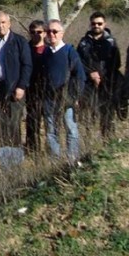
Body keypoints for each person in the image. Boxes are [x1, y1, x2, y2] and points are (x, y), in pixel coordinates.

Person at [0, 11, 32, 146]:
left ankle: (15, 153)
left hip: (13, 88)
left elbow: (27, 65)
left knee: (13, 123)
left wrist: (21, 86)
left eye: (3, 22)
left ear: (9, 23)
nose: (0, 25)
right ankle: (0, 151)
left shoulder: (19, 41)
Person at [41, 20, 85, 163]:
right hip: (49, 99)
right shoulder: (46, 53)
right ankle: (56, 161)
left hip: (66, 99)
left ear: (62, 33)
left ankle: (72, 160)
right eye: (49, 32)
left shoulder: (69, 52)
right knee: (50, 131)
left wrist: (73, 96)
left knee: (70, 129)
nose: (52, 34)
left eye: (55, 31)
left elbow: (79, 76)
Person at [77, 11, 122, 138]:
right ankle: (87, 141)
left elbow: (116, 63)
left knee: (107, 114)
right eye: (94, 23)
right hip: (88, 84)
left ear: (104, 24)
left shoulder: (111, 42)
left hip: (107, 83)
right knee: (86, 115)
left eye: (99, 23)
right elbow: (78, 61)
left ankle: (107, 141)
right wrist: (90, 73)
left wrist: (101, 75)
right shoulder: (83, 42)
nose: (96, 26)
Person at [25, 19, 47, 152]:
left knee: (50, 123)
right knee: (32, 122)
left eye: (39, 31)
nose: (36, 34)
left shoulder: (50, 49)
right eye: (33, 32)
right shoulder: (25, 49)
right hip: (31, 90)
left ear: (45, 33)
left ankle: (51, 151)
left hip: (48, 91)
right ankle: (33, 150)